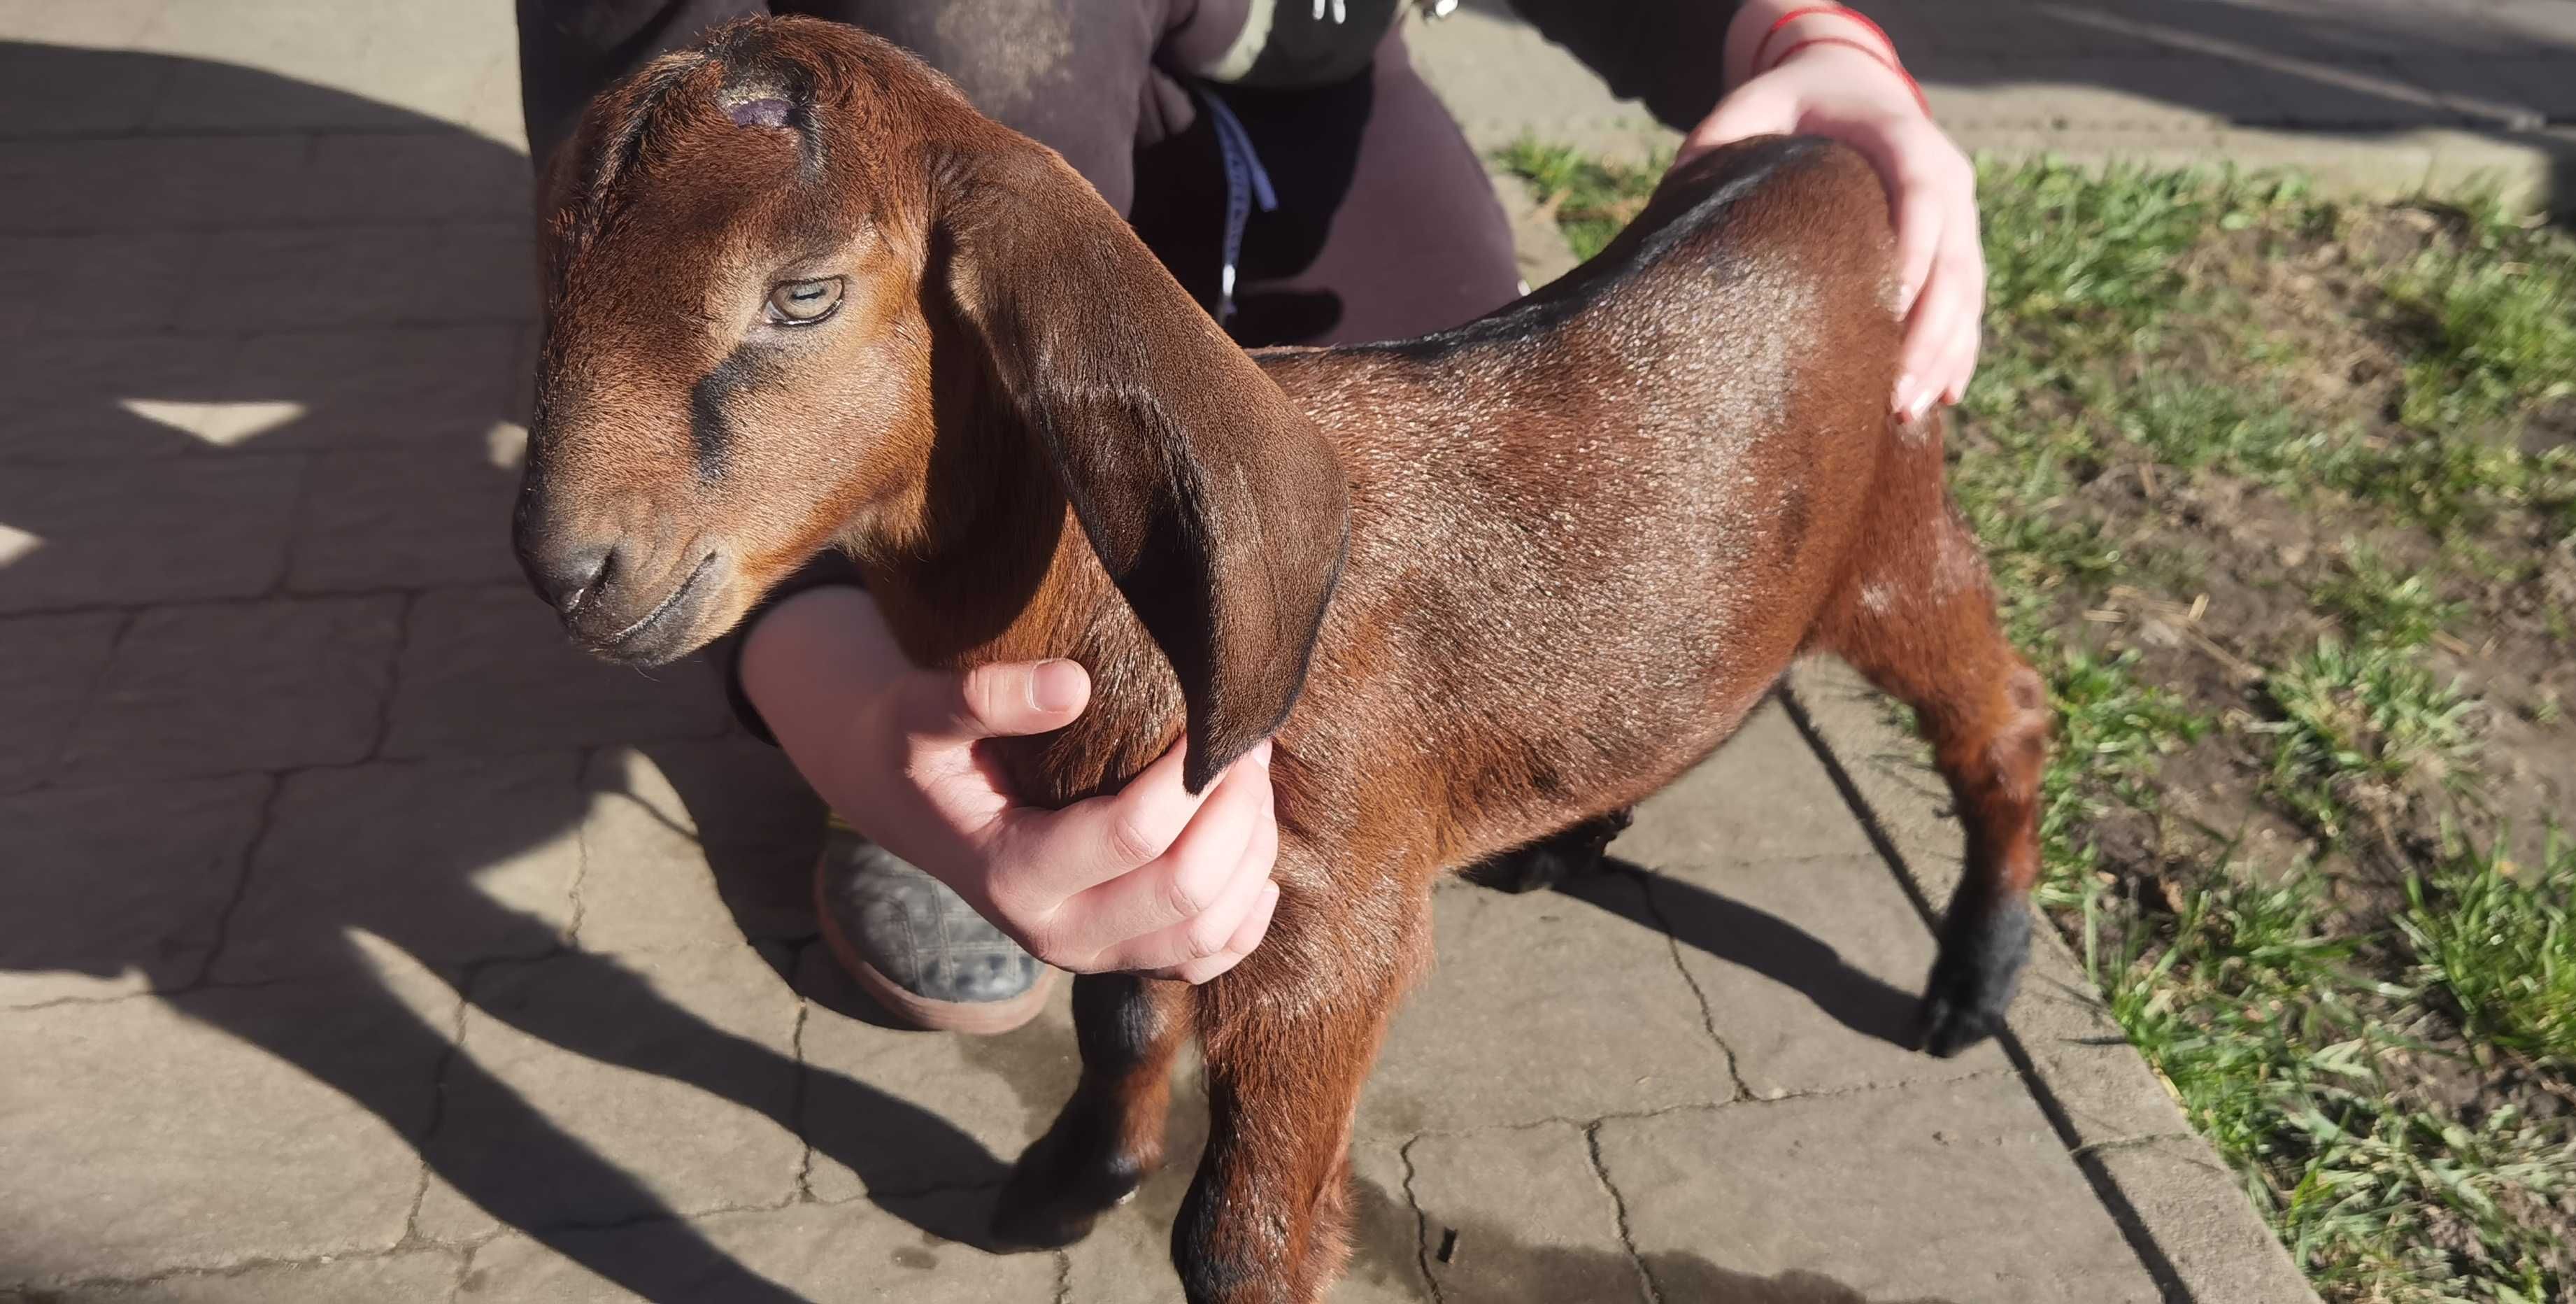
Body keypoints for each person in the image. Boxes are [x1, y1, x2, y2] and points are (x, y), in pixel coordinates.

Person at [513, 0, 1982, 1034]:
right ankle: (956, 700)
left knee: (1451, 474)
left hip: (1290, 88)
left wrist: (1798, 35)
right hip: (925, 112)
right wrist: (857, 720)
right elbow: (632, 181)